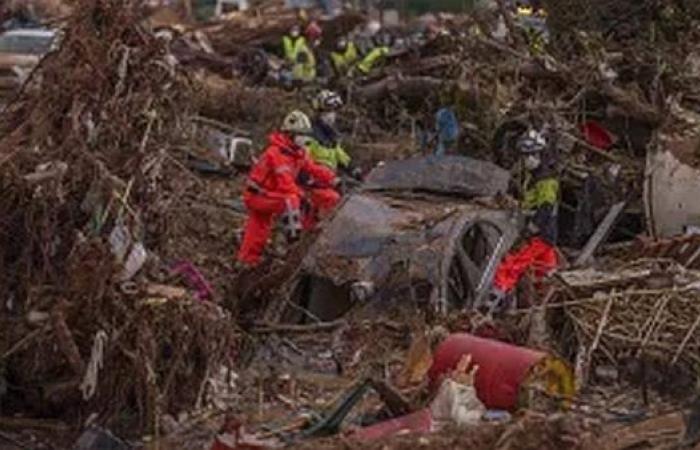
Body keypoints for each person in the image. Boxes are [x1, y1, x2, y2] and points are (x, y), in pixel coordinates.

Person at [236, 111, 339, 267]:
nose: (305, 138)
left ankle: (247, 261)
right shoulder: (276, 154)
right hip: (257, 196)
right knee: (291, 201)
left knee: (258, 229)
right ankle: (293, 244)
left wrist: (333, 179)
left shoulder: (297, 153)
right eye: (302, 134)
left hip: (269, 195)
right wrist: (303, 195)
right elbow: (286, 184)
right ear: (290, 134)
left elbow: (313, 168)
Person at [490, 129, 559, 308]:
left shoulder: (546, 180)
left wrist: (530, 231)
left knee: (510, 266)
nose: (527, 159)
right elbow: (529, 203)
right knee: (545, 273)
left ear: (540, 154)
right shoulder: (532, 177)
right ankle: (542, 307)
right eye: (525, 155)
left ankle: (494, 304)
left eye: (531, 155)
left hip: (540, 233)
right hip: (547, 236)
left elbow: (545, 208)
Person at [306, 90, 357, 176]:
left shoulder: (330, 135)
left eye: (333, 111)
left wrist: (353, 168)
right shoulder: (310, 135)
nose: (331, 115)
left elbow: (340, 154)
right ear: (319, 112)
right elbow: (304, 161)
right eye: (327, 111)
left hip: (329, 180)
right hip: (315, 182)